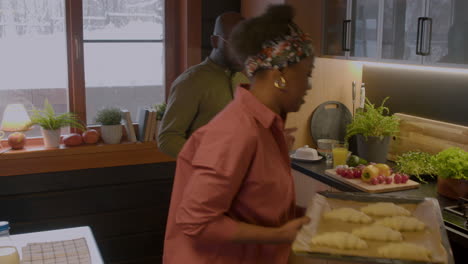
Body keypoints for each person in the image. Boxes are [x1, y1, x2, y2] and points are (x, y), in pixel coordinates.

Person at [163, 4, 315, 264]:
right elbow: (196, 222)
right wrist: (277, 234)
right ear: (281, 75)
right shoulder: (237, 131)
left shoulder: (264, 127)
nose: (309, 86)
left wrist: (301, 218)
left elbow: (255, 204)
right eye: (307, 74)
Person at [157, 12, 249, 158]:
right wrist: (208, 159)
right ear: (214, 41)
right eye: (235, 42)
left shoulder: (244, 80)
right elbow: (167, 138)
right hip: (202, 176)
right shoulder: (190, 82)